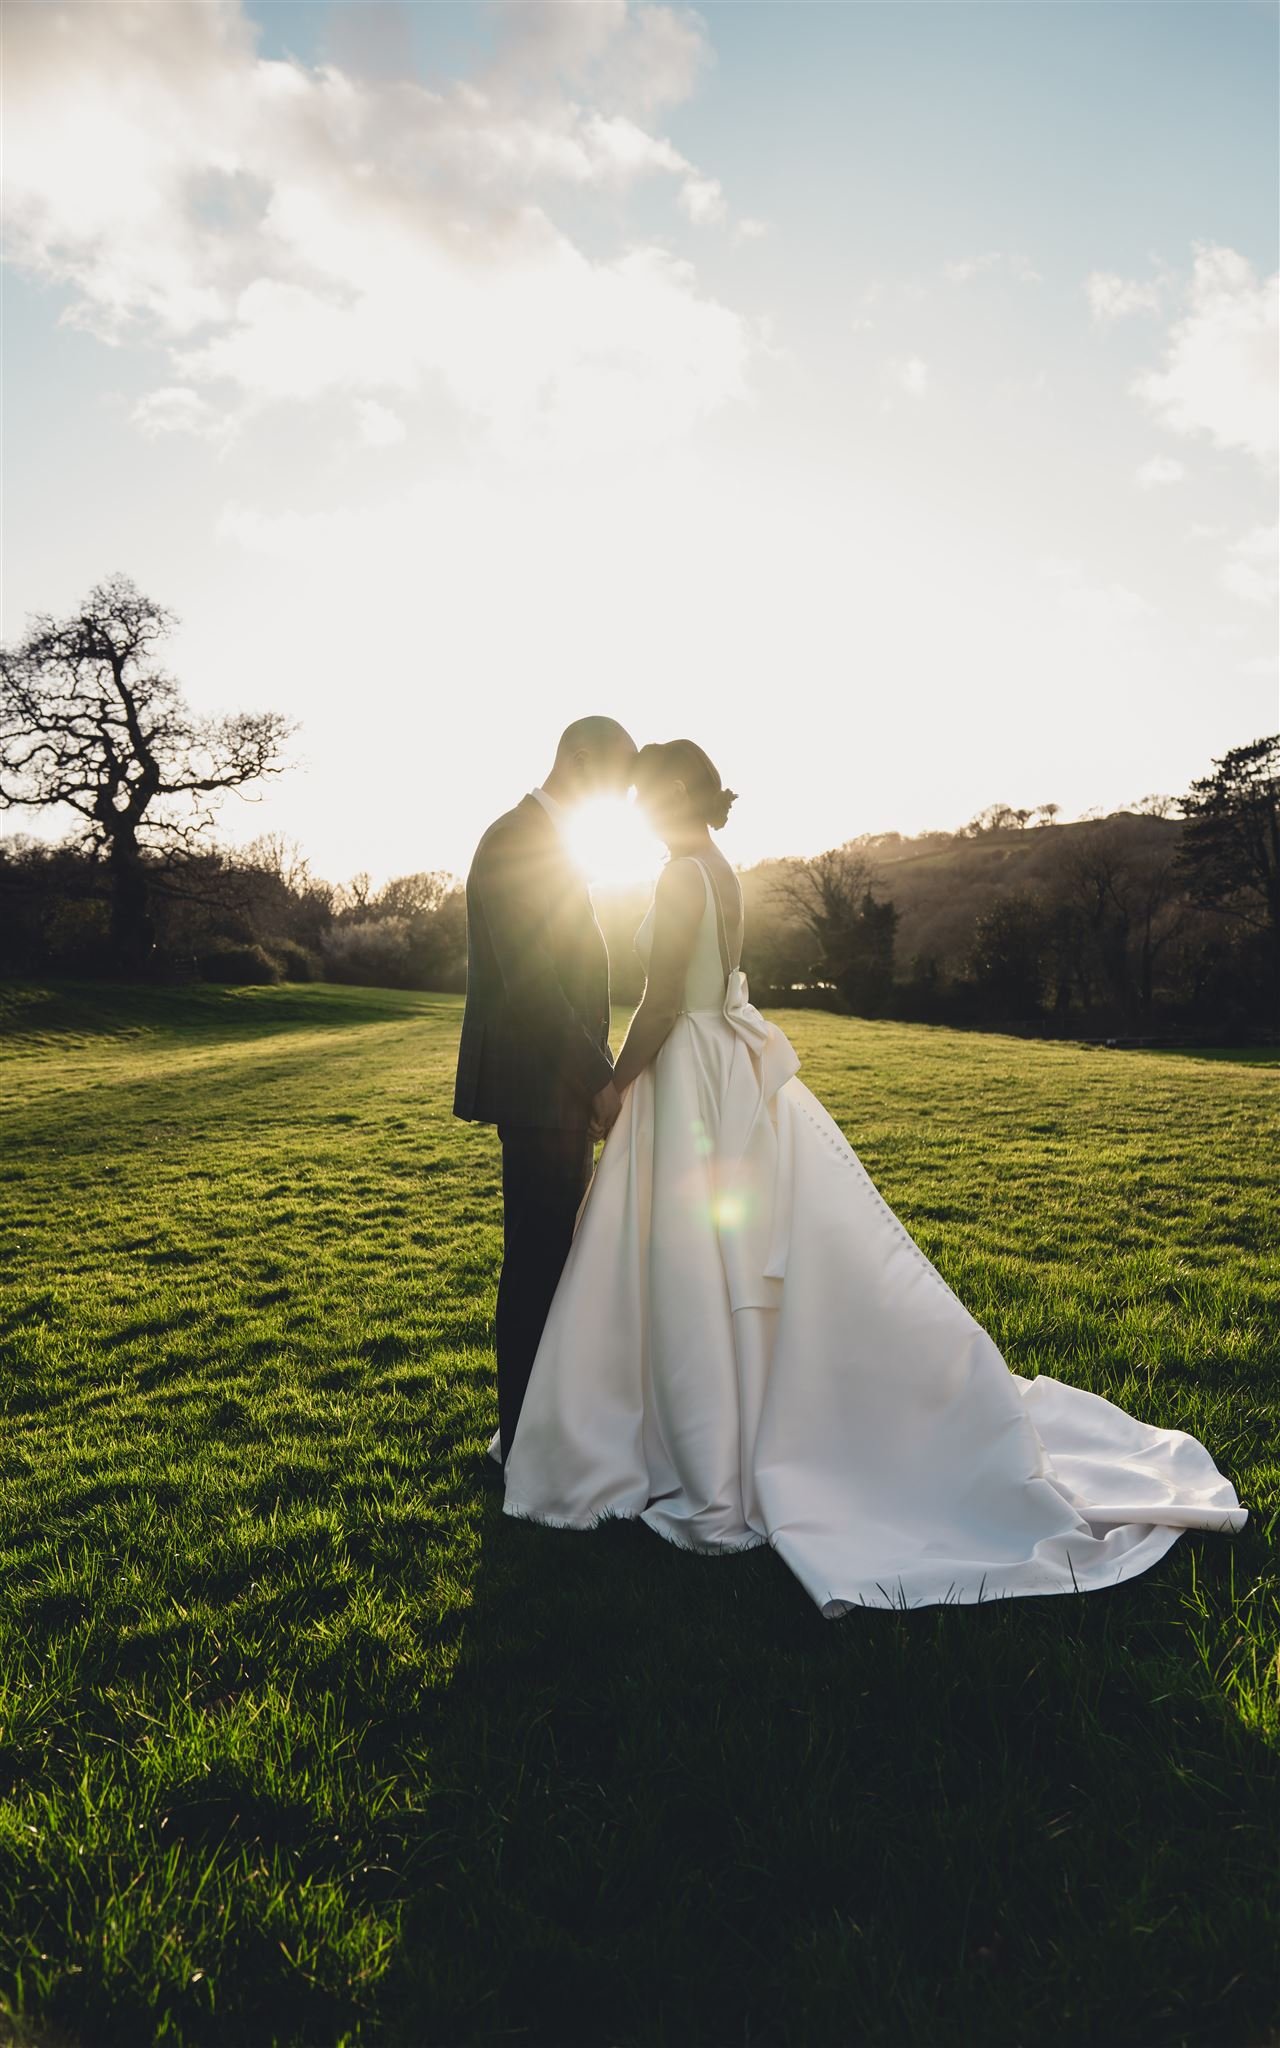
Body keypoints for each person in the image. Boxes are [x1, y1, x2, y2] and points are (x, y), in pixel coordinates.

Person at [495, 738, 1249, 1616]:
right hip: (724, 1067)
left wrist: (618, 1082)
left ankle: (684, 1436)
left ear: (667, 795)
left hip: (689, 1071)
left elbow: (665, 999)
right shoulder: (718, 866)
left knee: (683, 1251)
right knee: (717, 1253)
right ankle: (715, 1411)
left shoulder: (677, 877)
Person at [454, 715, 638, 1464]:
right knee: (536, 1261)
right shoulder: (518, 839)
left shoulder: (554, 840)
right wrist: (597, 1078)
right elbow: (532, 987)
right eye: (620, 775)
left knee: (554, 1257)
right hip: (539, 1089)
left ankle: (540, 1426)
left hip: (553, 1085)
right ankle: (520, 1441)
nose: (626, 793)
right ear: (581, 757)